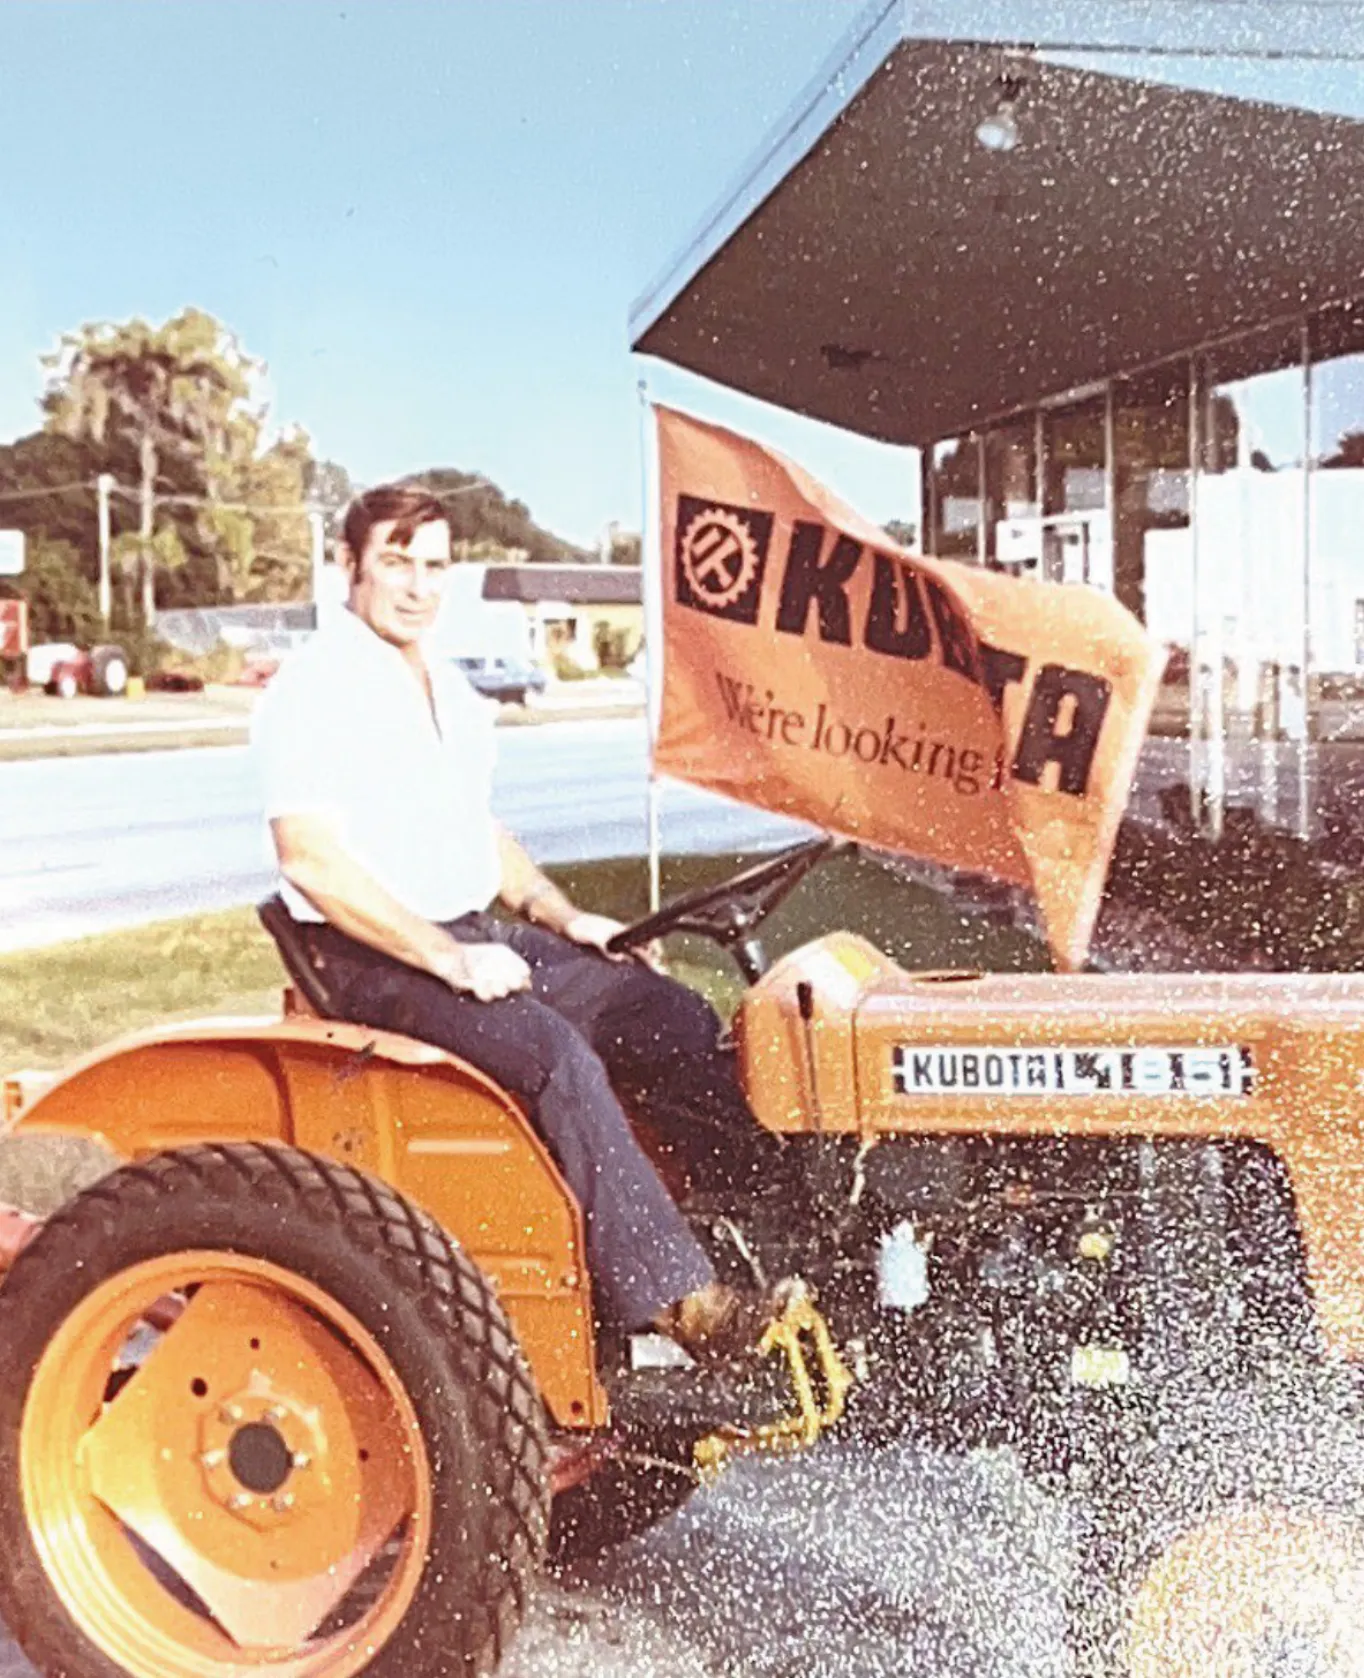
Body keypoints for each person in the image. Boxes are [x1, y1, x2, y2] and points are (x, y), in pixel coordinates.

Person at [250, 482, 788, 1363]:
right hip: (370, 951)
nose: (418, 586)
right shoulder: (313, 690)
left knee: (667, 1013)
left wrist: (560, 913)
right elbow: (310, 859)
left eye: (435, 566)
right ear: (349, 565)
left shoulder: (445, 688)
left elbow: (477, 832)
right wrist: (447, 958)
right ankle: (679, 1300)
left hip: (463, 929)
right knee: (553, 1057)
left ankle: (761, 1233)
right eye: (395, 561)